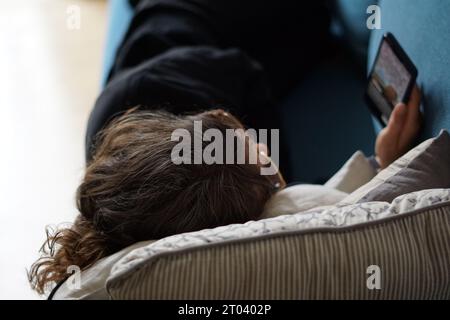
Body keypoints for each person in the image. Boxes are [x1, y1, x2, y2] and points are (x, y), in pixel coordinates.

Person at [28, 0, 422, 295]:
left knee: (310, 15)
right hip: (174, 43)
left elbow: (246, 72)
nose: (266, 157)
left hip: (201, 16)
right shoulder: (140, 209)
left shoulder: (184, 84)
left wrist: (280, 175)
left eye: (253, 146)